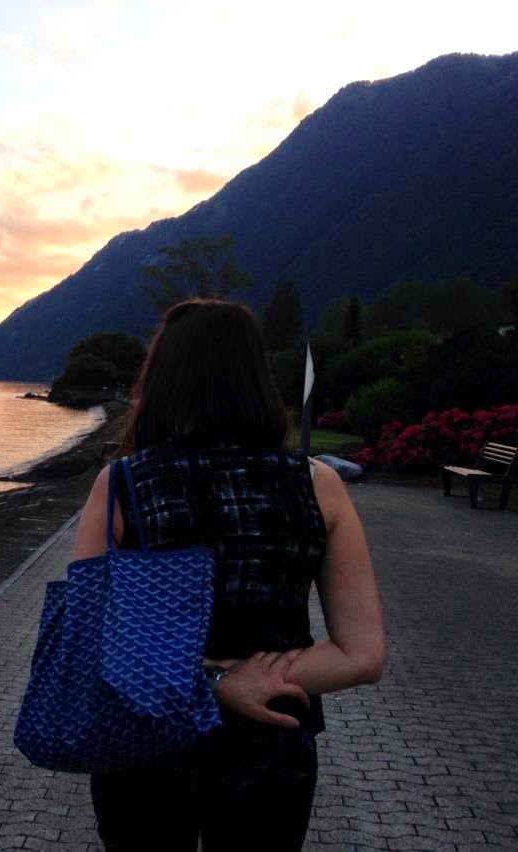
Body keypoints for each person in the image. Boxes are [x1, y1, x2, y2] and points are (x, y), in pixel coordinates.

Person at [71, 300, 385, 851]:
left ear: (164, 379)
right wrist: (241, 682)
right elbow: (362, 655)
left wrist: (213, 680)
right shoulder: (319, 486)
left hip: (146, 745)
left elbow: (87, 640)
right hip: (272, 748)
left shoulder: (121, 485)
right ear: (255, 378)